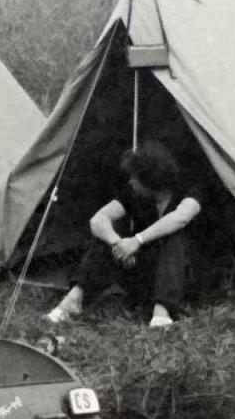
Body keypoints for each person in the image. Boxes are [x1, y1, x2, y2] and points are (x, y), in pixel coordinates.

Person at [46, 141, 202, 328]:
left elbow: (180, 218)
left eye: (135, 177)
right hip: (148, 274)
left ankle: (163, 313)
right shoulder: (135, 194)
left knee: (174, 237)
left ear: (149, 180)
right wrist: (117, 244)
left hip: (185, 278)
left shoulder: (187, 192)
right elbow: (98, 219)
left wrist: (137, 240)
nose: (130, 181)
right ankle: (73, 301)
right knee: (109, 233)